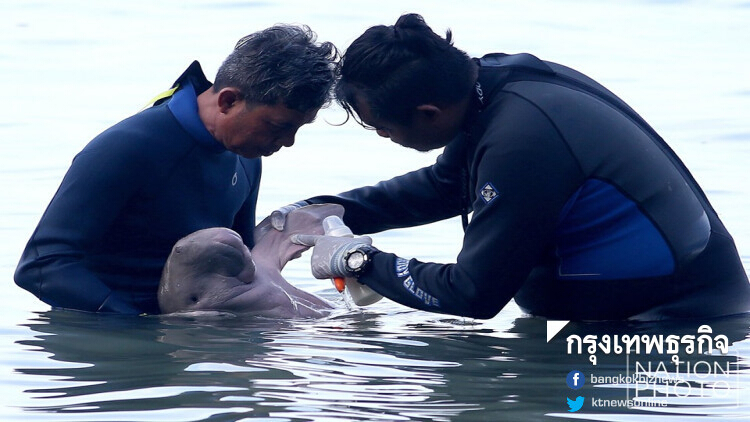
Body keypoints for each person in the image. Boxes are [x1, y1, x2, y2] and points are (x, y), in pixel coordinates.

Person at [279, 13, 750, 321]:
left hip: (674, 327)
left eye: (380, 126)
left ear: (427, 112)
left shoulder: (524, 142)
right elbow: (447, 185)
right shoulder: (489, 87)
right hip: (632, 318)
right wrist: (325, 209)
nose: (383, 136)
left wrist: (360, 261)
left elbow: (473, 295)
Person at [15, 25, 337, 314]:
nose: (289, 142)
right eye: (277, 126)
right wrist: (139, 331)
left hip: (192, 337)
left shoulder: (247, 158)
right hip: (107, 345)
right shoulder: (127, 148)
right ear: (227, 101)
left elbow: (242, 263)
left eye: (297, 129)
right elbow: (42, 266)